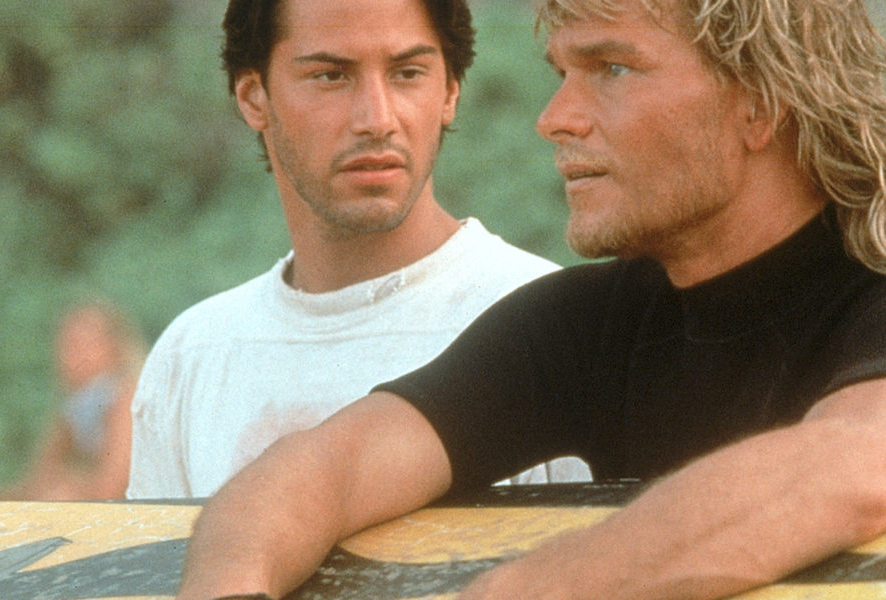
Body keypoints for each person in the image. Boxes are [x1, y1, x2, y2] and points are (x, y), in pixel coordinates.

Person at [176, 0, 886, 597]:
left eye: (611, 68)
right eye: (562, 71)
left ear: (761, 104)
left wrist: (517, 592)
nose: (555, 117)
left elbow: (850, 472)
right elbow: (319, 472)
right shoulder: (589, 326)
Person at [126, 0, 590, 498]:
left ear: (450, 91)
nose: (377, 119)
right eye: (331, 76)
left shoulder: (554, 329)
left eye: (407, 73)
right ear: (253, 97)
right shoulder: (193, 357)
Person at [0, 301, 142, 500]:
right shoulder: (78, 407)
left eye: (85, 344)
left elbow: (111, 489)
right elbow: (38, 480)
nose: (72, 355)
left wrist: (69, 487)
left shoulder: (126, 398)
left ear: (115, 347)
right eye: (66, 345)